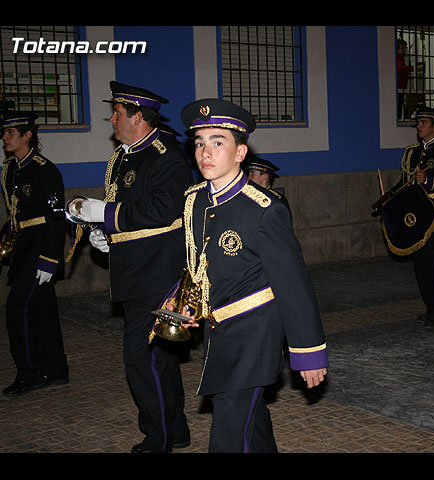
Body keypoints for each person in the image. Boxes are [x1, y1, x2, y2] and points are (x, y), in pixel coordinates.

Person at [174, 98, 328, 453]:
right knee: (250, 420)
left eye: (218, 142)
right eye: (199, 143)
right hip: (218, 330)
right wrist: (185, 305)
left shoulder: (264, 209)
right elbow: (196, 264)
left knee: (228, 429)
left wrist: (308, 351)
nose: (205, 152)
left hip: (254, 334)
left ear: (241, 152)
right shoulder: (195, 201)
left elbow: (293, 284)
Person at [73, 81, 193, 453]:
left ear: (138, 117)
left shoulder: (165, 155)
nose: (111, 119)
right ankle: (175, 430)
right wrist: (106, 236)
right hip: (136, 269)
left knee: (141, 358)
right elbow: (131, 213)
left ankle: (156, 440)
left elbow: (161, 211)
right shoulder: (126, 155)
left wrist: (102, 213)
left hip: (157, 273)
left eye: (118, 113)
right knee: (160, 358)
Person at [0, 111, 69, 396]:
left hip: (40, 249)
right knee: (43, 311)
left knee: (17, 310)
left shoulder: (44, 169)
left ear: (28, 135)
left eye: (11, 133)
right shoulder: (10, 169)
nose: (5, 138)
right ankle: (55, 370)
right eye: (3, 133)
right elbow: (15, 212)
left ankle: (29, 373)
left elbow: (56, 218)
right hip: (23, 247)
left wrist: (49, 259)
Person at [388, 106, 434, 327]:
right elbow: (404, 182)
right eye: (418, 123)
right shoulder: (411, 152)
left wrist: (427, 181)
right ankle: (432, 307)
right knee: (420, 261)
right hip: (418, 214)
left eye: (424, 123)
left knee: (426, 258)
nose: (419, 126)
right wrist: (389, 198)